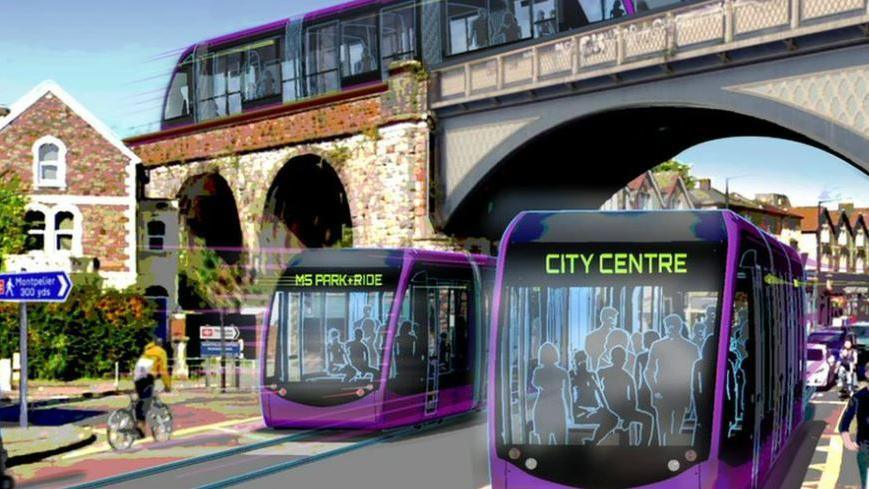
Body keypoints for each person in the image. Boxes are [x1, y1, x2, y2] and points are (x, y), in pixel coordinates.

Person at [645, 314, 699, 445]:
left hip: (680, 392)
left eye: (673, 325)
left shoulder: (691, 347)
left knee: (675, 428)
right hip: (664, 392)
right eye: (668, 325)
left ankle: (671, 452)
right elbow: (648, 370)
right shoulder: (658, 345)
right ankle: (665, 453)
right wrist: (655, 389)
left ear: (680, 327)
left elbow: (696, 373)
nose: (670, 328)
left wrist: (693, 393)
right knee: (664, 428)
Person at [530, 342, 570, 445]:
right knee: (561, 443)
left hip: (542, 405)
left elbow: (535, 384)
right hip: (558, 406)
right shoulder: (562, 372)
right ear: (555, 355)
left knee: (543, 444)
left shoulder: (538, 372)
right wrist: (569, 411)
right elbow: (567, 393)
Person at [133, 337, 172, 438]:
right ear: (161, 345)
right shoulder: (161, 352)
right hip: (148, 377)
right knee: (146, 401)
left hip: (137, 377)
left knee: (141, 400)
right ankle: (140, 425)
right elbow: (163, 370)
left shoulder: (147, 350)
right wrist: (167, 386)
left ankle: (138, 423)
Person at [840, 362, 869, 489]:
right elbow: (844, 422)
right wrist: (847, 441)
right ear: (867, 374)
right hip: (865, 447)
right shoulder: (858, 397)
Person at [586, 307, 619, 371]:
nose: (615, 320)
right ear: (610, 319)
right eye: (614, 318)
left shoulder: (590, 336)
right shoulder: (591, 336)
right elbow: (590, 355)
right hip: (598, 370)